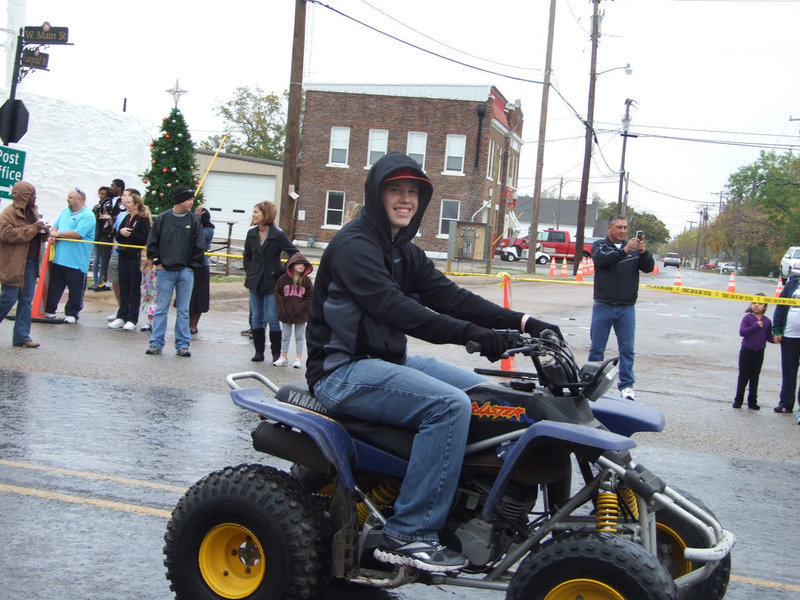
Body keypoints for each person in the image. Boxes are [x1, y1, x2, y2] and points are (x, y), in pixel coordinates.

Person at [306, 152, 561, 572]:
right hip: (342, 371)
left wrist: (524, 322)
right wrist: (472, 336)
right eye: (395, 189)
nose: (405, 199)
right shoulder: (355, 245)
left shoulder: (402, 250)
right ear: (376, 194)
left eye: (413, 192)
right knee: (449, 406)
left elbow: (450, 297)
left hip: (390, 362)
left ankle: (469, 510)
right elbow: (395, 308)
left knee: (487, 397)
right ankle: (409, 533)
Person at [588, 214, 654, 401]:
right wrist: (625, 250)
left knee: (627, 349)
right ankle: (592, 384)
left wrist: (643, 253)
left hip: (626, 307)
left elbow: (648, 267)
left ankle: (626, 386)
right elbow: (602, 261)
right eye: (619, 227)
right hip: (603, 304)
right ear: (609, 228)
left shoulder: (634, 249)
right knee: (597, 348)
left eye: (625, 227)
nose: (623, 231)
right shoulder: (600, 246)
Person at [145, 185, 205, 357]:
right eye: (189, 199)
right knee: (161, 308)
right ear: (179, 200)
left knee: (184, 309)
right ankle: (156, 343)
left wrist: (191, 266)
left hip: (186, 272)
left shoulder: (194, 221)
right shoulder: (162, 219)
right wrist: (158, 263)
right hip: (165, 271)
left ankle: (183, 344)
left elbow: (199, 246)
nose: (191, 203)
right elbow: (152, 243)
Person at [243, 201, 297, 363]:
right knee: (257, 317)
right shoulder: (251, 234)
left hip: (271, 282)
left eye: (256, 212)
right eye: (253, 212)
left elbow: (294, 254)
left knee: (272, 317)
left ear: (265, 214)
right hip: (254, 281)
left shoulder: (277, 235)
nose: (253, 215)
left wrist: (280, 271)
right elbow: (247, 255)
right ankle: (259, 352)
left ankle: (276, 353)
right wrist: (249, 269)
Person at [0, 182, 48, 348]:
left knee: (26, 301)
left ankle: (22, 336)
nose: (34, 197)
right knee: (8, 298)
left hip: (31, 263)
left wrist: (43, 231)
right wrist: (33, 228)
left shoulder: (33, 211)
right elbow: (7, 235)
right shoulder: (8, 213)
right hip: (14, 263)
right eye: (31, 194)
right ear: (23, 196)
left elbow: (34, 233)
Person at [44, 188, 96, 323]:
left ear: (79, 200)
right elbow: (55, 226)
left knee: (75, 290)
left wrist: (58, 234)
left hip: (77, 261)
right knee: (55, 287)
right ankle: (50, 310)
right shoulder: (65, 212)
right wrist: (54, 232)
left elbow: (78, 233)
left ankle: (72, 313)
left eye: (71, 197)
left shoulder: (88, 215)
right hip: (60, 258)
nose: (68, 199)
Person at [109, 190, 151, 331]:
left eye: (129, 203)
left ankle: (132, 318)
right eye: (125, 203)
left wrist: (131, 234)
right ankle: (121, 316)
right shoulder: (126, 218)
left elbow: (143, 238)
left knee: (134, 288)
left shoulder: (143, 220)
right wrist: (120, 233)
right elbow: (119, 236)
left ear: (136, 204)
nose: (126, 205)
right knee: (124, 286)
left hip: (135, 257)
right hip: (123, 255)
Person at [732, 294, 773, 410]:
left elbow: (769, 337)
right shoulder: (748, 318)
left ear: (765, 307)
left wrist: (776, 339)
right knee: (743, 377)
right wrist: (756, 326)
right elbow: (742, 332)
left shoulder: (767, 321)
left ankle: (752, 401)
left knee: (755, 378)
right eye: (754, 303)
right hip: (746, 351)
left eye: (760, 304)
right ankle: (738, 400)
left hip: (759, 353)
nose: (756, 305)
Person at [273, 252, 313, 368]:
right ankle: (283, 357)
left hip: (300, 315)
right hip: (286, 313)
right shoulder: (283, 279)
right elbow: (277, 293)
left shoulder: (306, 281)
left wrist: (303, 307)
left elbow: (310, 296)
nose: (302, 266)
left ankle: (298, 358)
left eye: (304, 265)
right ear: (292, 264)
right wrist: (282, 308)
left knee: (299, 337)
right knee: (285, 336)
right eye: (299, 264)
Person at [771, 277, 800, 424]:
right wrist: (776, 330)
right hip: (789, 336)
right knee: (789, 371)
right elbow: (781, 308)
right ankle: (786, 404)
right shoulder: (792, 284)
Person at [189, 206, 215, 334]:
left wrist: (198, 216)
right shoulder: (194, 227)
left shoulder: (208, 230)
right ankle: (187, 323)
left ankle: (194, 325)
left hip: (201, 267)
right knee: (189, 297)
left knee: (199, 298)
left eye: (197, 215)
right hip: (190, 265)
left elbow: (198, 236)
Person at [90, 185, 114, 290]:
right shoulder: (97, 207)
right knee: (95, 260)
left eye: (103, 194)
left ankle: (101, 281)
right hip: (96, 236)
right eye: (100, 194)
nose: (101, 196)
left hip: (103, 237)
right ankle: (96, 281)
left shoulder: (109, 208)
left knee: (102, 260)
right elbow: (93, 218)